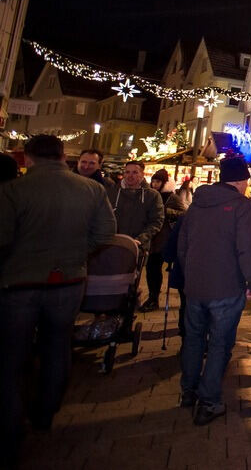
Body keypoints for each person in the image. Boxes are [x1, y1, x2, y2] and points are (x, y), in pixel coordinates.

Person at [0, 135, 116, 465]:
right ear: (65, 155)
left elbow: (3, 237)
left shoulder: (13, 190)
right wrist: (79, 253)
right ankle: (45, 412)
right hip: (68, 280)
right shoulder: (91, 190)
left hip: (19, 281)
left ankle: (10, 426)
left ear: (28, 157)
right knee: (57, 345)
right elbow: (106, 232)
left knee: (12, 356)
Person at [178, 156, 251, 426]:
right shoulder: (241, 206)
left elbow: (183, 244)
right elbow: (246, 247)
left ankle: (188, 391)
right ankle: (210, 401)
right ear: (241, 181)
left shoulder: (197, 203)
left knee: (193, 339)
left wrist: (190, 273)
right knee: (219, 343)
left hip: (195, 286)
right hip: (226, 286)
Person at [140, 169, 186, 312]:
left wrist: (167, 212)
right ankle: (152, 297)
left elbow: (183, 213)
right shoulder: (149, 195)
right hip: (152, 238)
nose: (154, 184)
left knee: (156, 267)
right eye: (153, 181)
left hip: (165, 238)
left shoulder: (171, 197)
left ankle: (154, 298)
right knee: (151, 269)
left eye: (158, 181)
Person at [110, 161, 164, 250]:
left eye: (135, 172)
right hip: (112, 244)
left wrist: (141, 239)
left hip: (137, 247)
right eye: (127, 172)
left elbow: (156, 221)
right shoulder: (113, 192)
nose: (130, 176)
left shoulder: (152, 195)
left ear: (142, 174)